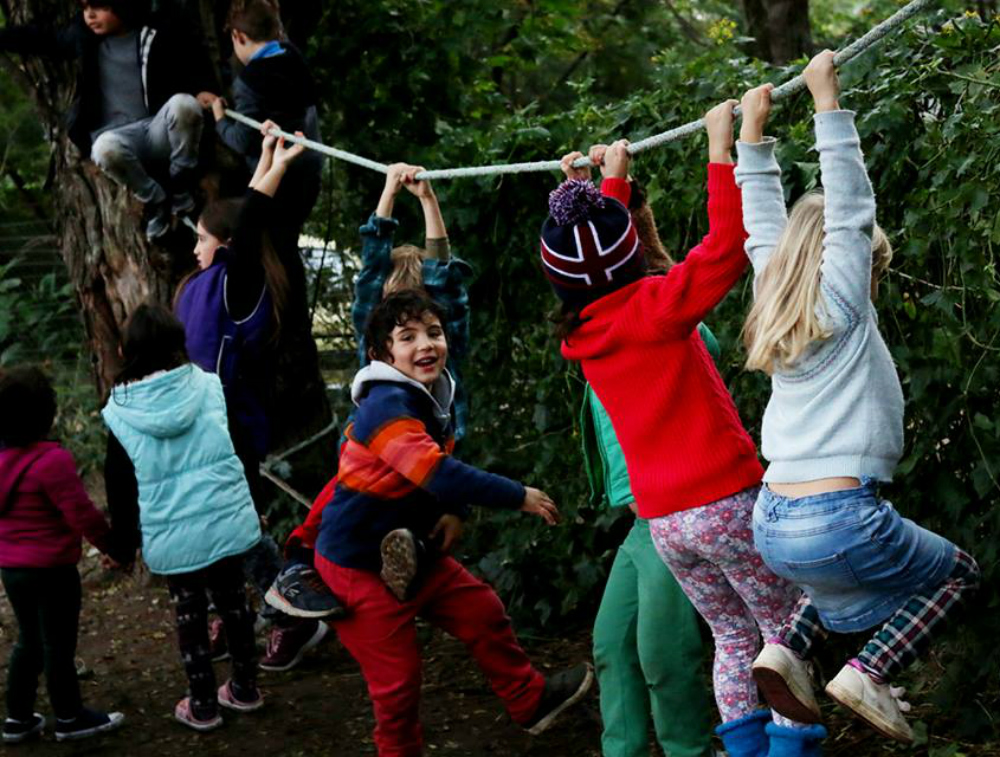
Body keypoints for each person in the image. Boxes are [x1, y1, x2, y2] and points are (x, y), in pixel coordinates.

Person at [538, 101, 822, 757]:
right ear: (624, 251)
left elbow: (599, 261)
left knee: (731, 634)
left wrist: (608, 186)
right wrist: (721, 145)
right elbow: (724, 247)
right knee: (781, 630)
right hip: (724, 501)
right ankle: (791, 749)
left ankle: (748, 747)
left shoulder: (584, 335)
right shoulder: (658, 309)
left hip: (667, 523)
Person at [735, 51, 980, 745]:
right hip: (840, 515)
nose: (875, 279)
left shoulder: (775, 300)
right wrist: (825, 101)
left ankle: (789, 646)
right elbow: (848, 208)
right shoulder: (843, 303)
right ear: (855, 263)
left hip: (773, 519)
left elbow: (761, 229)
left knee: (833, 577)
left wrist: (753, 136)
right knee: (957, 574)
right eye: (875, 267)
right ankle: (869, 668)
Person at [314, 289, 593, 756]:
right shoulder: (386, 405)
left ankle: (529, 700)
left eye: (433, 333)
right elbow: (437, 472)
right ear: (383, 354)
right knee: (397, 682)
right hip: (357, 565)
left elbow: (439, 464)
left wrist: (453, 511)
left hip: (407, 550)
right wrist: (517, 495)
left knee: (481, 611)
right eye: (408, 337)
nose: (426, 344)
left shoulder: (432, 394)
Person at [268, 162, 473, 614]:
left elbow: (442, 278)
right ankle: (299, 568)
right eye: (400, 327)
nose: (418, 339)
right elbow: (371, 269)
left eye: (427, 325)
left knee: (421, 524)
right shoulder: (374, 341)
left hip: (426, 471)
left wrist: (427, 200)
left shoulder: (444, 346)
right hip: (370, 467)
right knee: (335, 505)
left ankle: (403, 560)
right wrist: (389, 194)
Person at [561, 162, 716, 757]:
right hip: (639, 517)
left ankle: (689, 750)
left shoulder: (657, 316)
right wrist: (586, 192)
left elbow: (699, 336)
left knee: (664, 656)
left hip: (675, 507)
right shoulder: (592, 322)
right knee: (612, 644)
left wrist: (628, 210)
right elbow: (585, 252)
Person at [174, 125, 329, 671]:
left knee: (236, 530)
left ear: (228, 243)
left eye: (202, 237)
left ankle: (294, 618)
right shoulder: (202, 284)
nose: (195, 247)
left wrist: (280, 164)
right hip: (202, 432)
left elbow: (252, 217)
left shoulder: (237, 282)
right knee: (219, 529)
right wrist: (264, 154)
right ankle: (239, 612)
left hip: (230, 432)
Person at [102, 303, 264, 732]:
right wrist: (254, 503)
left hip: (172, 532)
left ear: (124, 350)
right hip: (225, 517)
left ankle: (203, 705)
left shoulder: (119, 413)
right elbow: (243, 449)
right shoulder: (210, 387)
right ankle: (245, 689)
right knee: (234, 603)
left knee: (189, 615)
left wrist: (122, 546)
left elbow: (118, 486)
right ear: (180, 344)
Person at [0, 0, 216, 240]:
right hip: (120, 137)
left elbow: (190, 59)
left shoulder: (158, 32)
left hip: (157, 127)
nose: (90, 16)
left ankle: (180, 182)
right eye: (84, 8)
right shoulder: (84, 39)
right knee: (104, 149)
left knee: (184, 104)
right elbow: (43, 39)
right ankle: (156, 200)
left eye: (99, 7)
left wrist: (203, 89)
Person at [0, 366, 125, 744]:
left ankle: (18, 718)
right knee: (58, 644)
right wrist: (114, 547)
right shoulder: (52, 461)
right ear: (47, 414)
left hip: (12, 569)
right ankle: (70, 717)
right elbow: (82, 514)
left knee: (28, 641)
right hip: (52, 569)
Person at [207, 0, 323, 273]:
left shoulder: (249, 81)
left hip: (275, 179)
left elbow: (241, 140)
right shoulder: (293, 56)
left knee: (269, 251)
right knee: (287, 248)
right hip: (309, 169)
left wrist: (220, 119)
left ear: (238, 36)